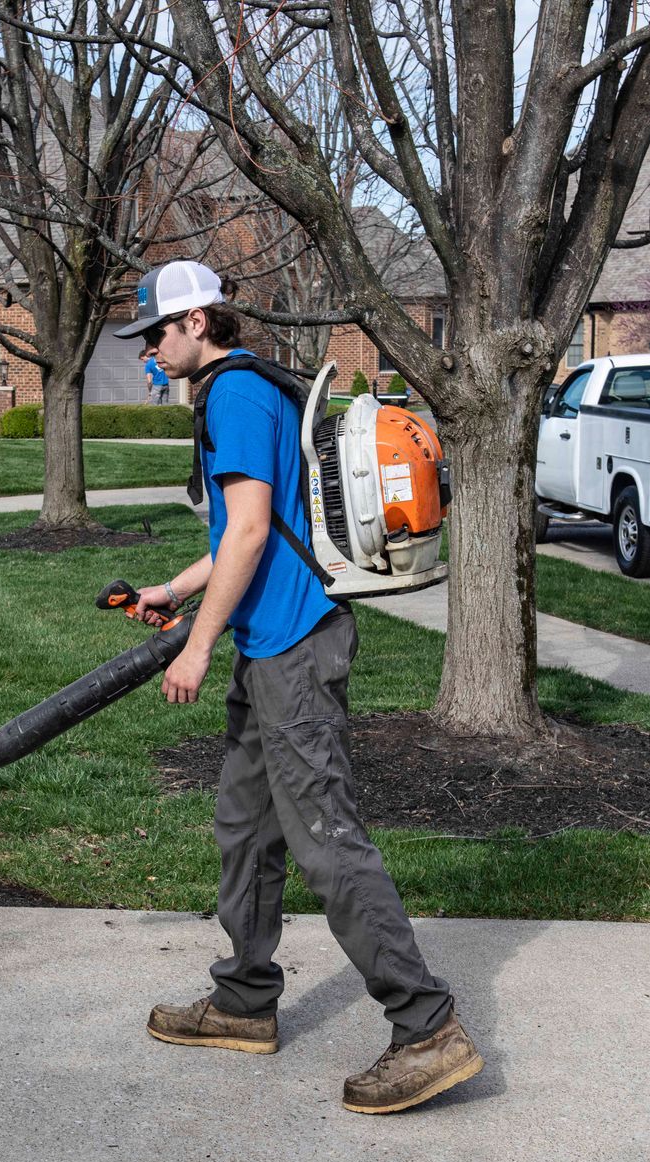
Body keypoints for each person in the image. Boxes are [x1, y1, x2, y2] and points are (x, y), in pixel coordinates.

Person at [116, 261, 482, 1115]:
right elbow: (260, 528)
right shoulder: (245, 390)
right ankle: (244, 1002)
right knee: (245, 826)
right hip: (272, 645)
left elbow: (248, 532)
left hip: (293, 652)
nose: (151, 350)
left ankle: (428, 1027)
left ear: (199, 322)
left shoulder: (234, 395)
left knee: (325, 838)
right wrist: (175, 590)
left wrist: (195, 646)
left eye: (157, 333)